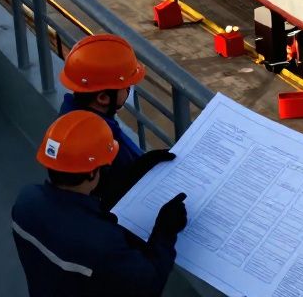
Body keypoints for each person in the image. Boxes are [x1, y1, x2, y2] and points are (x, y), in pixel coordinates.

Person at [11, 111, 187, 297]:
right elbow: (150, 283)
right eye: (105, 166)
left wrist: (136, 170)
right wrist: (165, 233)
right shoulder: (102, 241)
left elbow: (78, 210)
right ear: (91, 173)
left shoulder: (26, 201)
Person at [58, 34, 173, 206]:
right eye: (125, 86)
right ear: (103, 98)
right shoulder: (97, 141)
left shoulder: (73, 115)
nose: (129, 88)